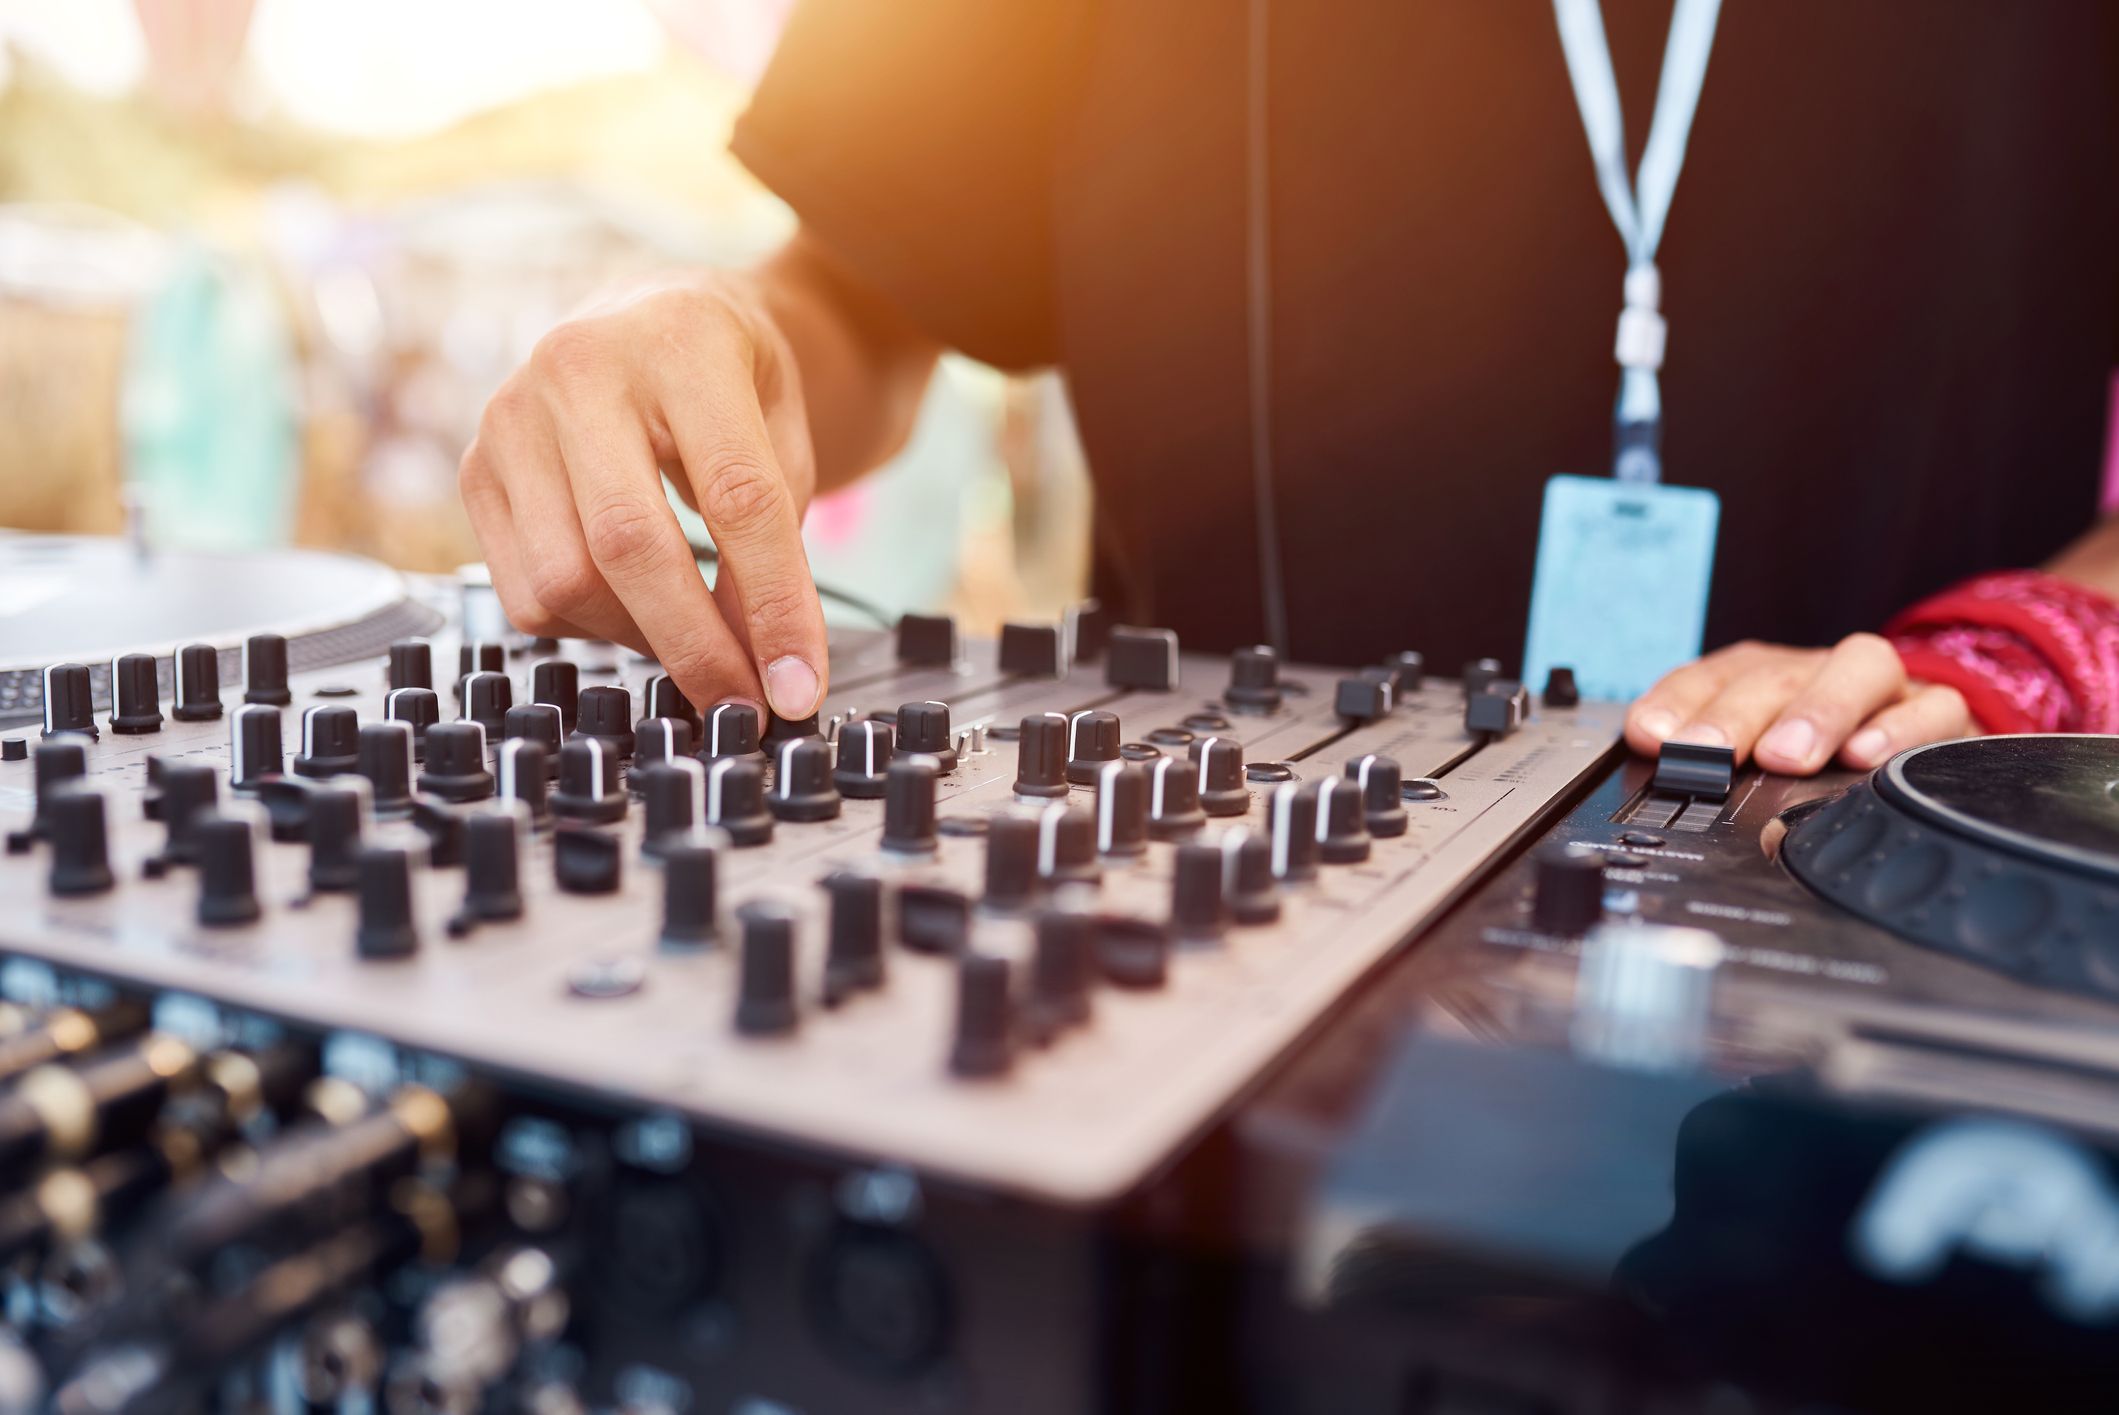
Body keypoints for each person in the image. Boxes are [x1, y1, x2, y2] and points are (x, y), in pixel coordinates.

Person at [458, 1, 2119, 774]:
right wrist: (697, 342)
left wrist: (2026, 662)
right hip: (1189, 907)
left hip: (1890, 894)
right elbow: (862, 293)